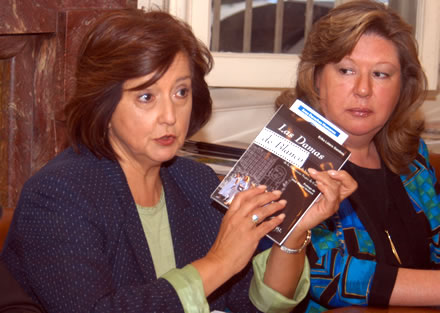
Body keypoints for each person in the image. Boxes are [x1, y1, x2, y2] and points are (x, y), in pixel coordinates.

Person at [0, 8, 356, 313]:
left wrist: (293, 231)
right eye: (146, 97)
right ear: (103, 104)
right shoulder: (58, 195)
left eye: (181, 92)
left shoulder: (196, 181)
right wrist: (218, 262)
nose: (170, 115)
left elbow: (248, 302)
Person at [275, 0, 440, 311]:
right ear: (316, 78)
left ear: (402, 86)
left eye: (380, 74)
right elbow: (327, 277)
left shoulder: (412, 156)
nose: (363, 89)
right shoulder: (288, 157)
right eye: (346, 70)